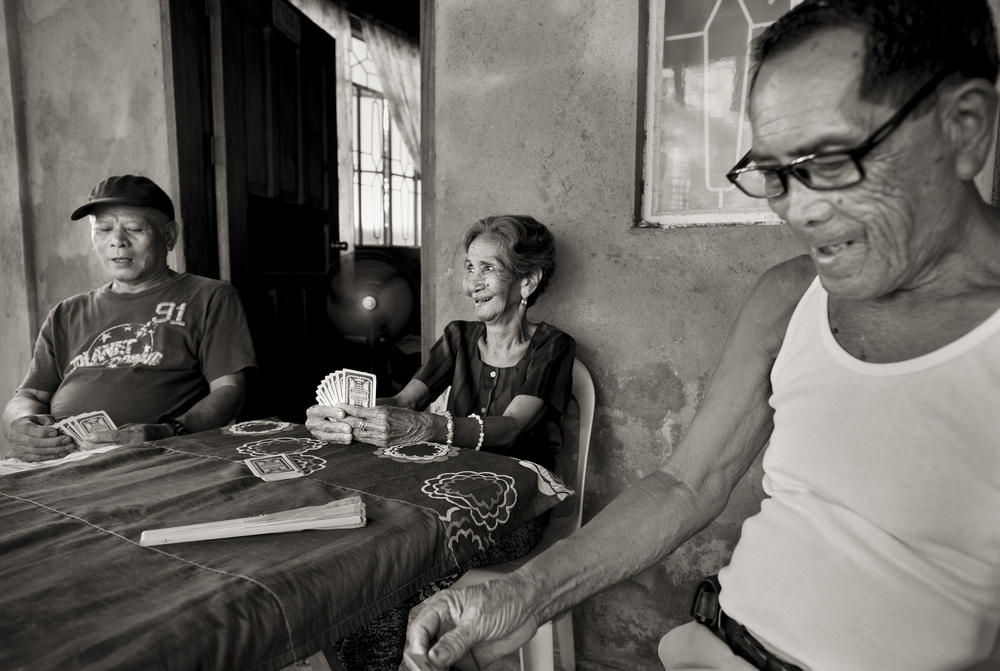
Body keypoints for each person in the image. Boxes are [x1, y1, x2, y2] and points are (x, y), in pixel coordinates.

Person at [403, 2, 1000, 670]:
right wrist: (523, 594)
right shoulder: (788, 297)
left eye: (830, 161)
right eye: (773, 173)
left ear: (964, 127)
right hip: (721, 642)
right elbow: (686, 485)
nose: (797, 209)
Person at [1, 175, 257, 462]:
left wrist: (167, 431)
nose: (117, 242)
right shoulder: (66, 312)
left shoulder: (210, 297)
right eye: (104, 229)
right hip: (63, 458)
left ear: (169, 236)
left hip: (158, 456)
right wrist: (19, 425)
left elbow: (229, 390)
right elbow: (30, 395)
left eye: (134, 229)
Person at [307, 214, 575, 471]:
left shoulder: (552, 345)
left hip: (521, 485)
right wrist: (344, 414)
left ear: (528, 281)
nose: (473, 284)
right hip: (453, 474)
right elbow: (405, 402)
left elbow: (513, 426)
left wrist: (428, 426)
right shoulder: (457, 337)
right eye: (470, 267)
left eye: (488, 268)